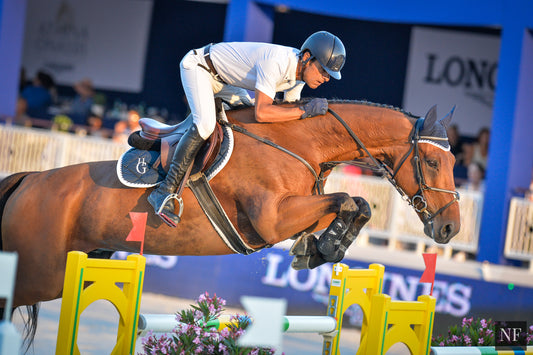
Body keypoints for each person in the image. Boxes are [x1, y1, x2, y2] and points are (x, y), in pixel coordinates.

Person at [148, 31, 346, 227]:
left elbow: (289, 116)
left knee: (246, 117)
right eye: (323, 70)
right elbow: (263, 112)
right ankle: (165, 190)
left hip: (224, 81)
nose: (326, 78)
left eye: (329, 75)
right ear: (306, 57)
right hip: (199, 68)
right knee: (205, 125)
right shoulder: (277, 62)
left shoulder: (298, 77)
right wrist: (304, 110)